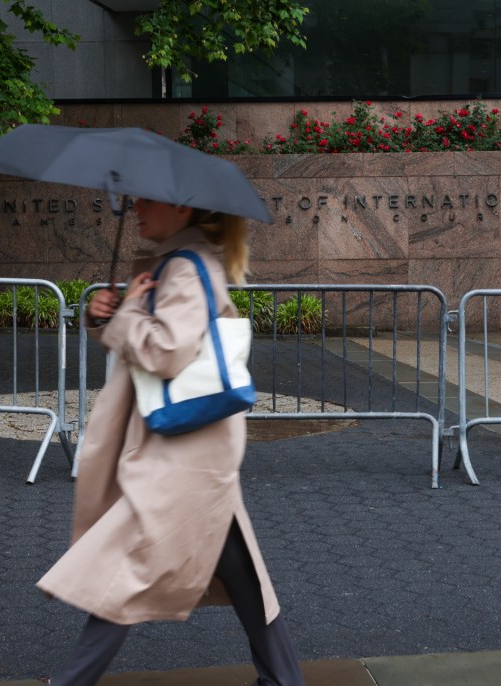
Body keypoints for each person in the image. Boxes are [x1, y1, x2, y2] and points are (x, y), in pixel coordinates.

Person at [37, 199, 305, 686]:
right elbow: (156, 340)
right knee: (242, 573)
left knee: (123, 567)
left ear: (181, 209)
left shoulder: (185, 267)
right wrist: (110, 316)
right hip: (191, 447)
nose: (136, 209)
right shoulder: (182, 262)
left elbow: (166, 351)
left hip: (181, 453)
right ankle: (283, 679)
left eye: (147, 201)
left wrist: (127, 313)